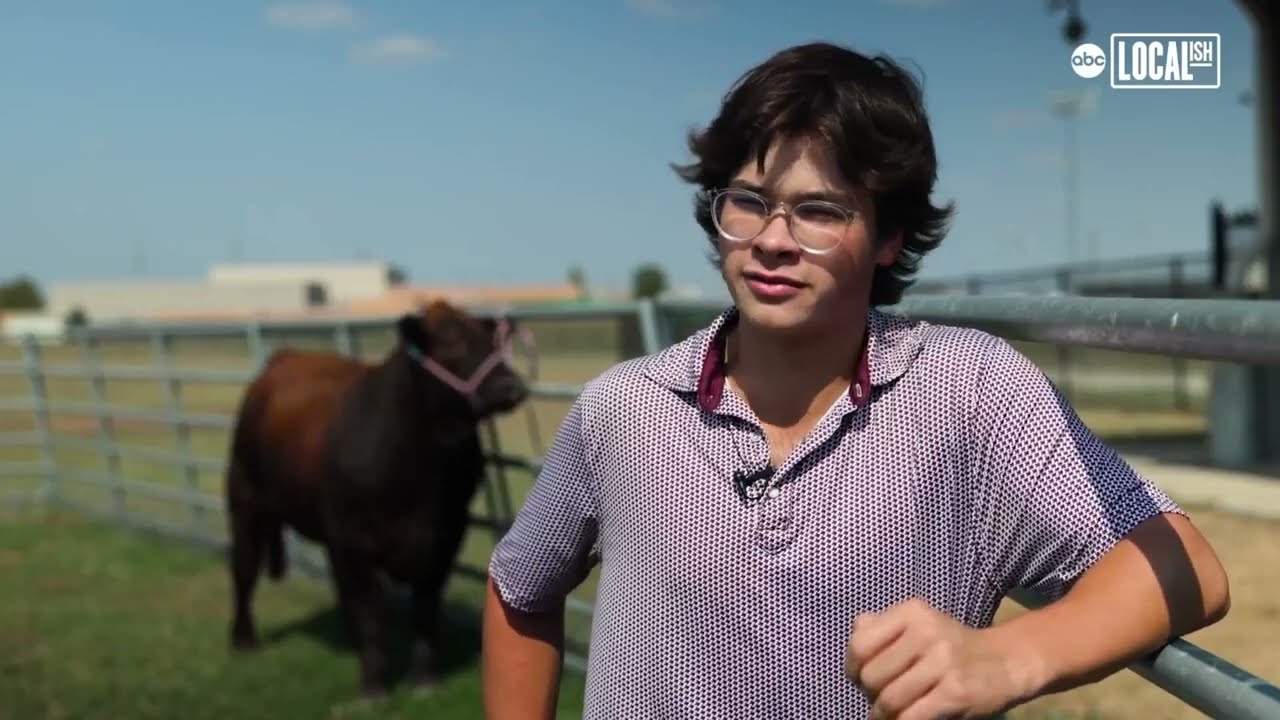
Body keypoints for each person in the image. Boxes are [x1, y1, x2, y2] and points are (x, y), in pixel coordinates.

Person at [481, 41, 1231, 719]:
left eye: (819, 211)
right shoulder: (622, 408)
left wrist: (1009, 657)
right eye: (748, 202)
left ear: (891, 237)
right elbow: (520, 588)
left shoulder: (967, 392)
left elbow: (1186, 564)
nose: (773, 240)